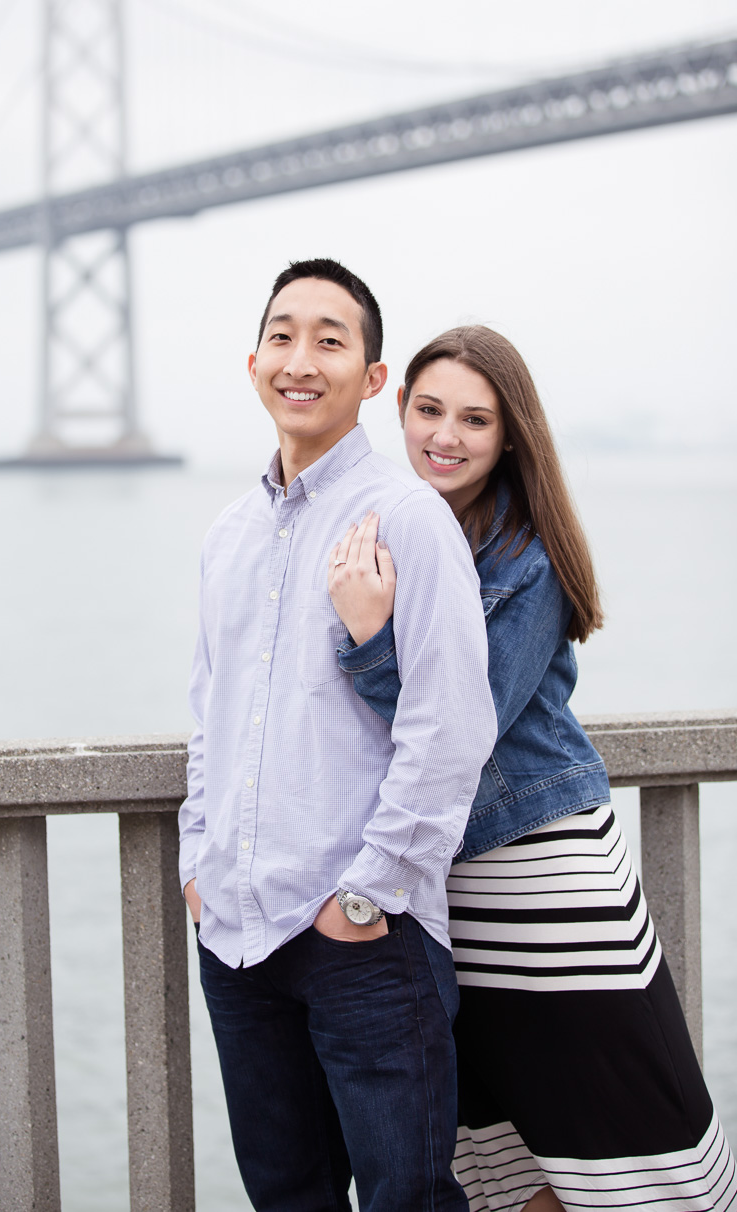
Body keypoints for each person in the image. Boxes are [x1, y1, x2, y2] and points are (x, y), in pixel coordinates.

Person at [328, 324, 736, 1212]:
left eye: (475, 419)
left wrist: (369, 639)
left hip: (548, 881)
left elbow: (458, 726)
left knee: (622, 1145)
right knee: (513, 1160)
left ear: (511, 434)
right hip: (456, 891)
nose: (446, 434)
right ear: (399, 409)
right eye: (429, 410)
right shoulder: (410, 534)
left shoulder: (525, 556)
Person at [179, 260, 497, 1212]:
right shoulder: (228, 535)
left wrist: (367, 897)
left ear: (371, 380)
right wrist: (198, 862)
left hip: (364, 938)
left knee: (408, 1200)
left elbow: (452, 726)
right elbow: (211, 716)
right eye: (283, 336)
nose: (300, 359)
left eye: (330, 339)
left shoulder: (409, 518)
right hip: (237, 936)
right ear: (252, 363)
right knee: (289, 1196)